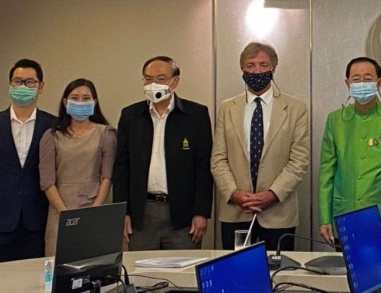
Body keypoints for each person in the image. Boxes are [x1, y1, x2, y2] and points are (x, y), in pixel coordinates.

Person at [212, 42, 310, 250]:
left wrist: (272, 195)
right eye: (251, 65)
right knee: (236, 275)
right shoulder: (226, 108)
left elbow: (299, 161)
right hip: (236, 210)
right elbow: (218, 159)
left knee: (277, 276)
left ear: (273, 68)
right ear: (242, 70)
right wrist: (234, 193)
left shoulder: (296, 109)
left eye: (263, 65)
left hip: (278, 212)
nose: (257, 71)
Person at [318, 57, 381, 253]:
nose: (361, 84)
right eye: (356, 79)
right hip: (344, 217)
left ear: (379, 83)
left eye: (367, 78)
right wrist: (324, 218)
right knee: (347, 279)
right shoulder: (335, 120)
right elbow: (326, 173)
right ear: (347, 83)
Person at [113, 56, 213, 250]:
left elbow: (203, 167)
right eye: (148, 79)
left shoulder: (196, 115)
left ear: (174, 81)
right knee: (141, 274)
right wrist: (122, 212)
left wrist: (201, 212)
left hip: (182, 215)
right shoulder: (130, 115)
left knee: (184, 274)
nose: (153, 84)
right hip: (142, 214)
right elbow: (121, 167)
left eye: (160, 78)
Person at [0, 59, 56, 264]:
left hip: (38, 220)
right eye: (17, 82)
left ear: (41, 87)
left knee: (35, 281)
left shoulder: (52, 125)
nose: (22, 87)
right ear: (10, 85)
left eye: (30, 82)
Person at [39, 78, 117, 256]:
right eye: (75, 98)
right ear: (66, 102)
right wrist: (65, 214)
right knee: (59, 265)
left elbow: (107, 177)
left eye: (85, 98)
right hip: (60, 209)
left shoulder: (106, 133)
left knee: (95, 265)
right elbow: (47, 181)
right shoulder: (51, 136)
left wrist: (95, 212)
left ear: (94, 103)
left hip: (94, 208)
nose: (80, 102)